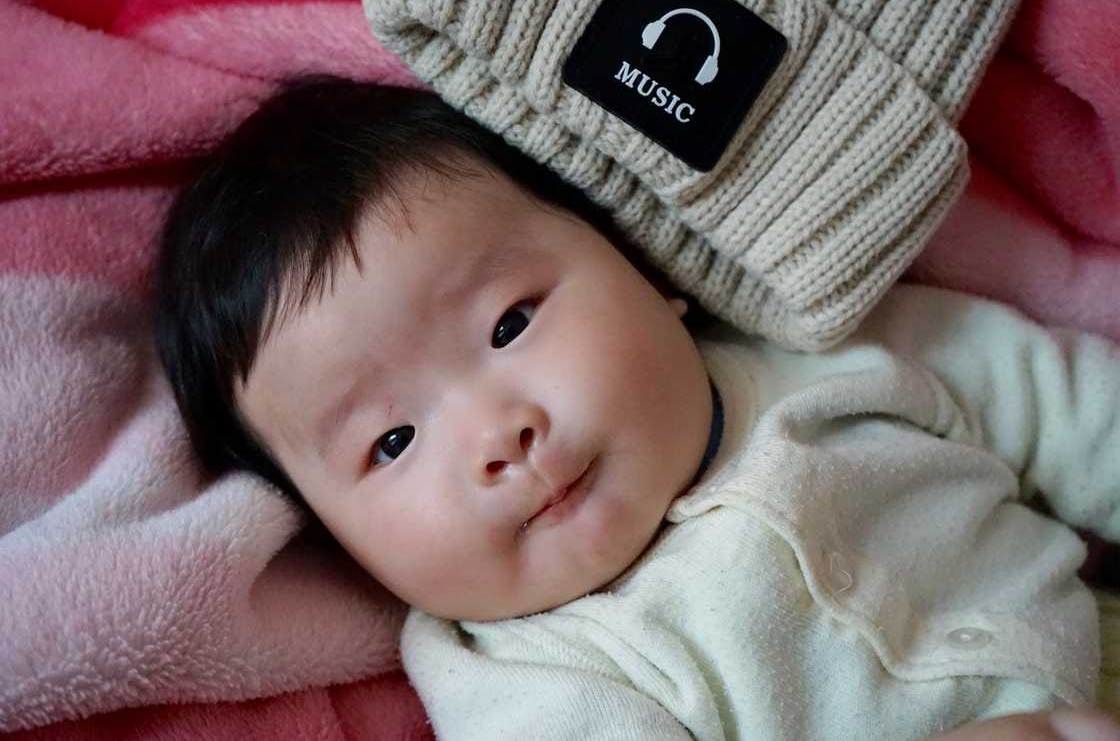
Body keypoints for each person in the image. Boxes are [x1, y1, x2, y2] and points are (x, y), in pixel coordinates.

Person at [155, 78, 1120, 740]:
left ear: (643, 262)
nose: (501, 433)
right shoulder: (520, 678)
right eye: (392, 440)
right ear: (335, 540)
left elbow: (1081, 411)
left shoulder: (832, 350)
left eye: (510, 323)